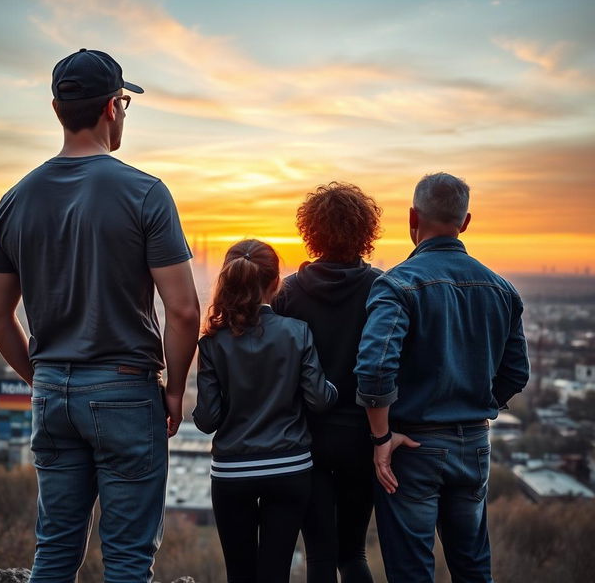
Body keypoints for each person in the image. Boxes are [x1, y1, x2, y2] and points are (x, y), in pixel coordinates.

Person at [0, 48, 200, 583]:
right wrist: (173, 390)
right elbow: (183, 308)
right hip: (126, 392)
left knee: (54, 550)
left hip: (53, 392)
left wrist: (44, 378)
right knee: (126, 559)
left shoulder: (14, 201)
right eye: (124, 101)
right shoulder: (145, 192)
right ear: (112, 108)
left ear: (57, 109)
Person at [354, 173, 530, 583]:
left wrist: (381, 439)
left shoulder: (396, 285)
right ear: (465, 221)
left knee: (412, 570)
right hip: (474, 444)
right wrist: (472, 401)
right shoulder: (503, 289)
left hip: (412, 446)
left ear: (412, 217)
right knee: (472, 565)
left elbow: (375, 368)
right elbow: (516, 373)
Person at [193, 239, 338, 583]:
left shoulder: (212, 343)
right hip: (290, 469)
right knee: (275, 574)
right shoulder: (297, 333)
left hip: (232, 472)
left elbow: (208, 419)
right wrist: (335, 387)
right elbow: (320, 399)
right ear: (275, 283)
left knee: (239, 575)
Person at [272, 182, 382, 583]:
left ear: (311, 231)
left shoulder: (288, 293)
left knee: (320, 555)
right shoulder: (382, 290)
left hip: (306, 438)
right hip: (364, 435)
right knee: (353, 553)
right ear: (365, 231)